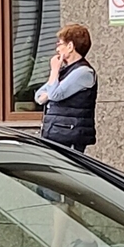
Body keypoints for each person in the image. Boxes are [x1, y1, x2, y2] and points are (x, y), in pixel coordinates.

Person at [35, 23, 97, 151]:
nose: (57, 49)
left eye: (59, 44)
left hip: (70, 134)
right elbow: (39, 97)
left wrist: (54, 71)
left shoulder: (83, 72)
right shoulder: (65, 71)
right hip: (57, 132)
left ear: (70, 46)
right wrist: (54, 81)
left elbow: (54, 95)